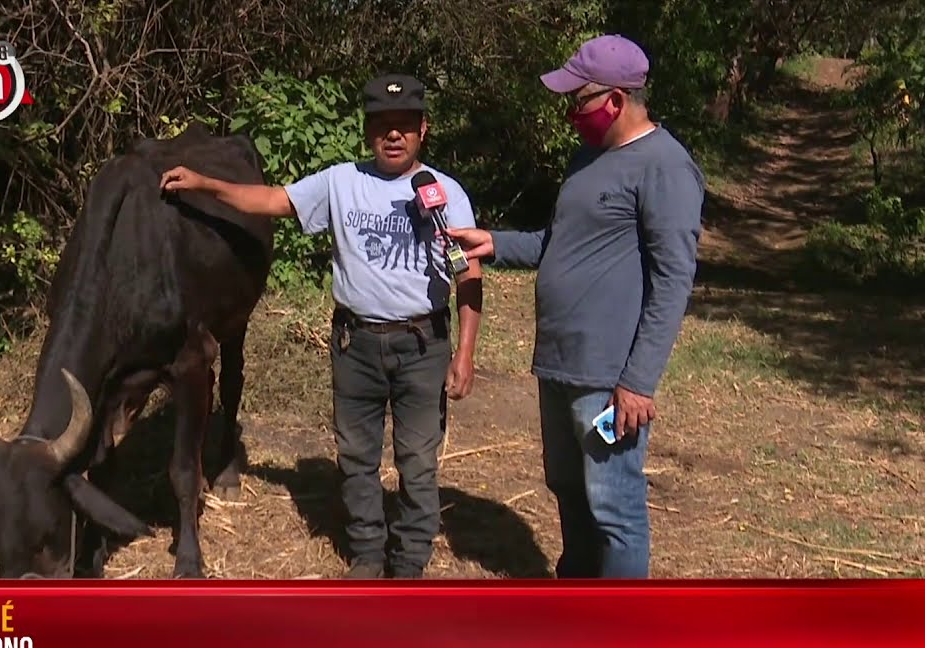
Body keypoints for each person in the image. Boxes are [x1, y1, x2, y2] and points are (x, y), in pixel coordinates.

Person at [159, 73, 484, 579]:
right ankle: (368, 554)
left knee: (418, 459)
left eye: (404, 124)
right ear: (367, 130)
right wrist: (205, 185)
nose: (392, 134)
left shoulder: (446, 193)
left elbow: (469, 273)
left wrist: (465, 352)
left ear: (423, 129)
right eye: (381, 124)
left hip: (423, 344)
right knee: (355, 455)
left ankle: (410, 561)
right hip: (356, 344)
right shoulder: (340, 182)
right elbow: (273, 201)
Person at [446, 35, 705, 582]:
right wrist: (494, 243)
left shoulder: (665, 167)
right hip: (559, 363)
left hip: (608, 378)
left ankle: (614, 625)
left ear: (615, 100)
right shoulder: (588, 158)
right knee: (568, 488)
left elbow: (673, 281)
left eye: (578, 100)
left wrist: (637, 382)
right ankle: (576, 598)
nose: (570, 113)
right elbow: (558, 242)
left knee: (614, 505)